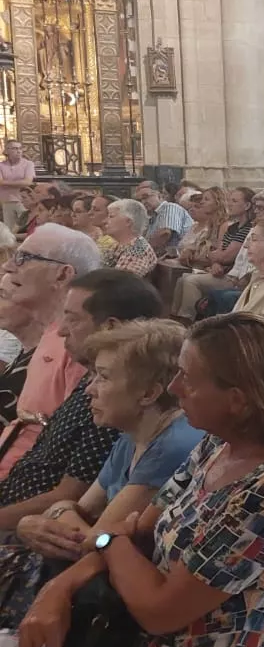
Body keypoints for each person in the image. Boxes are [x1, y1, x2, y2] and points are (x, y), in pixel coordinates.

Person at [0, 312, 264, 647]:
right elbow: (134, 527)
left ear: (238, 398)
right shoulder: (219, 444)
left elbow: (160, 608)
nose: (174, 389)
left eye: (188, 380)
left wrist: (110, 543)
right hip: (131, 634)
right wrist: (61, 586)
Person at [8, 320, 200, 565]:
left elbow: (95, 547)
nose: (90, 389)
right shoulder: (132, 435)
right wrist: (52, 515)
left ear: (149, 393)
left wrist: (57, 515)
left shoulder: (172, 447)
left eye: (104, 377)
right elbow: (81, 511)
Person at [0, 270, 164, 532]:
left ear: (109, 327)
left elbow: (71, 501)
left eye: (72, 319)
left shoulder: (117, 405)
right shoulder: (93, 381)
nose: (62, 330)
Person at [0, 225, 102, 468]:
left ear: (62, 275)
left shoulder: (76, 347)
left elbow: (62, 450)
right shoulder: (47, 337)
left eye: (24, 258)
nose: (8, 266)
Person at [170, 187, 254, 319]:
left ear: (247, 205)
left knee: (191, 281)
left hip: (232, 275)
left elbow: (225, 256)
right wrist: (214, 259)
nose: (229, 204)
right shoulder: (233, 228)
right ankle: (175, 318)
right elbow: (217, 253)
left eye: (234, 201)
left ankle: (190, 320)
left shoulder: (246, 228)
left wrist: (212, 257)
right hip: (221, 269)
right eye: (229, 200)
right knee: (182, 279)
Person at [96, 197, 156, 278]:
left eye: (111, 216)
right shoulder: (121, 245)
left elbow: (119, 285)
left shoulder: (137, 250)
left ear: (128, 222)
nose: (105, 221)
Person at [133, 179, 191, 255]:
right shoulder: (151, 216)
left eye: (146, 197)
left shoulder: (170, 207)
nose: (143, 202)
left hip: (178, 258)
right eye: (140, 200)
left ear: (160, 195)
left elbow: (164, 234)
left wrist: (141, 253)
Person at [0, 140, 34, 230]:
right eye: (15, 148)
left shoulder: (28, 164)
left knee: (26, 227)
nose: (19, 151)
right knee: (10, 230)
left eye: (20, 148)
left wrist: (6, 182)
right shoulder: (1, 165)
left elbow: (28, 182)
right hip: (7, 201)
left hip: (23, 200)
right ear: (7, 151)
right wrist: (20, 182)